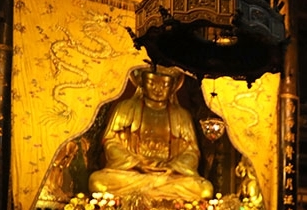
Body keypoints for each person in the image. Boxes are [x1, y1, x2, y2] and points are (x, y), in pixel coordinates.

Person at [88, 66, 214, 201]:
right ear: (141, 82)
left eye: (165, 84)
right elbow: (111, 142)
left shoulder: (182, 116)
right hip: (133, 173)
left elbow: (192, 152)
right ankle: (157, 193)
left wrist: (171, 167)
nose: (158, 89)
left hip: (168, 177)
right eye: (152, 83)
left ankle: (148, 191)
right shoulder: (125, 108)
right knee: (97, 181)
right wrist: (137, 163)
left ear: (173, 86)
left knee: (205, 189)